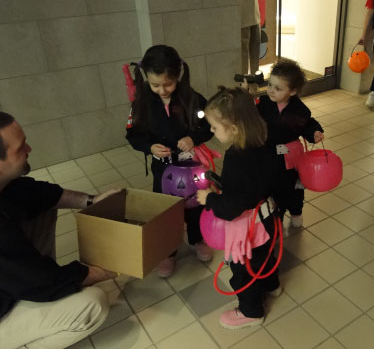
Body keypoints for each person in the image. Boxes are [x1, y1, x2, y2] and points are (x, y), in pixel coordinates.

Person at [0, 112, 118, 349]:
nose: (29, 148)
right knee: (92, 304)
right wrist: (95, 273)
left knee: (42, 207)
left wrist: (94, 201)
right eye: (21, 147)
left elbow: (40, 194)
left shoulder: (7, 186)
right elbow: (41, 282)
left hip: (12, 275)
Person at [196, 87, 281, 329]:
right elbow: (252, 185)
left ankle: (250, 311)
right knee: (264, 257)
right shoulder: (264, 141)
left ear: (233, 129)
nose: (211, 131)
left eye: (214, 127)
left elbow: (231, 208)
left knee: (243, 270)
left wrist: (210, 199)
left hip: (248, 229)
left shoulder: (236, 158)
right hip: (267, 217)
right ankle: (271, 285)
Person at [126, 45, 214, 277]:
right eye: (155, 85)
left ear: (178, 76)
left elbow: (208, 126)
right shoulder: (141, 103)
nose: (162, 90)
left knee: (196, 203)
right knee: (166, 209)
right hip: (162, 167)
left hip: (191, 164)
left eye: (168, 83)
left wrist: (193, 137)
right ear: (146, 78)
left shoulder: (192, 99)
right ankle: (168, 251)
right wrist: (149, 148)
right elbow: (133, 134)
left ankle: (197, 239)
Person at [256, 59, 324, 230]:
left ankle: (295, 211)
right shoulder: (263, 104)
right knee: (269, 186)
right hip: (268, 154)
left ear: (293, 91)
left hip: (290, 157)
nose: (271, 90)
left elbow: (308, 124)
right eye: (270, 84)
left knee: (294, 188)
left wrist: (314, 132)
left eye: (278, 88)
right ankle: (274, 215)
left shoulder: (299, 110)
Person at [240, 0, 261, 77]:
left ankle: (254, 88)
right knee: (242, 60)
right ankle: (242, 89)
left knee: (255, 58)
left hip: (255, 16)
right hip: (242, 18)